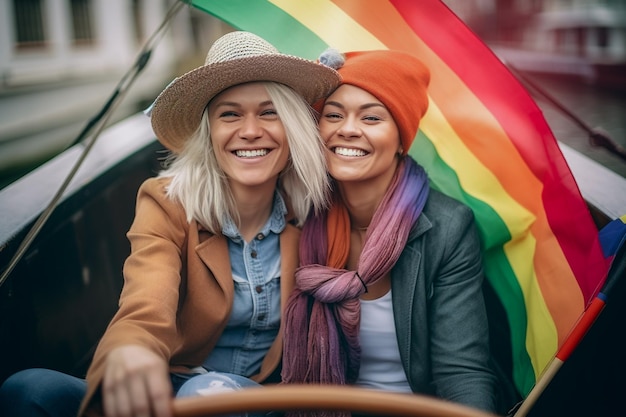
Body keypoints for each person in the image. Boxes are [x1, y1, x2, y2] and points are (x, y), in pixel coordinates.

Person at [0, 31, 340, 417]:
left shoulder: (314, 208)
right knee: (30, 389)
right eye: (229, 113)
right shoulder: (166, 201)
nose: (249, 130)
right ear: (207, 131)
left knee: (204, 394)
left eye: (268, 112)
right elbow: (147, 301)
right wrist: (132, 350)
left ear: (291, 126)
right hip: (164, 382)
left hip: (253, 398)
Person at [281, 48, 499, 415]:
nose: (347, 129)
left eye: (371, 118)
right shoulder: (298, 212)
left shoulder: (448, 228)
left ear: (401, 139)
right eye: (333, 115)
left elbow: (460, 369)